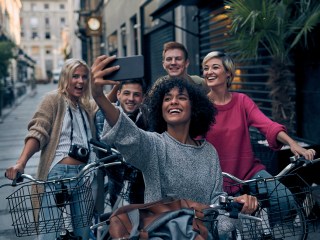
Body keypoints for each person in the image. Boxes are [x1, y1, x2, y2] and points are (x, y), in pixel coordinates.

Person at [91, 55, 258, 237]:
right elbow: (127, 132)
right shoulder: (154, 145)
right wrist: (99, 97)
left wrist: (238, 207)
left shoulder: (209, 152)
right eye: (167, 98)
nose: (173, 101)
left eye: (181, 97)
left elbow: (217, 209)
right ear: (160, 109)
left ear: (194, 107)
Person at [202, 51, 316, 222]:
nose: (209, 71)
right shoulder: (201, 106)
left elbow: (268, 125)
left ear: (228, 73)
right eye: (205, 68)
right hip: (216, 178)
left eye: (215, 67)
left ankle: (261, 228)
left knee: (284, 199)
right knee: (223, 227)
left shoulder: (242, 101)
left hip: (248, 172)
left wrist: (293, 144)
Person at [5, 58, 97, 239]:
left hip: (83, 174)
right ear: (65, 77)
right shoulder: (53, 99)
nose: (80, 81)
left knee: (84, 233)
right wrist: (20, 163)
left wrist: (116, 85)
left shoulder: (84, 105)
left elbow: (101, 105)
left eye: (84, 77)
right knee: (50, 233)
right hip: (58, 174)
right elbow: (38, 131)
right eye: (75, 76)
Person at [95, 79, 147, 205]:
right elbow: (106, 144)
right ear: (118, 94)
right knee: (119, 220)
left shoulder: (147, 115)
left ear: (143, 98)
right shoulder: (103, 115)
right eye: (126, 93)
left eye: (136, 95)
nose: (131, 98)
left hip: (144, 186)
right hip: (118, 182)